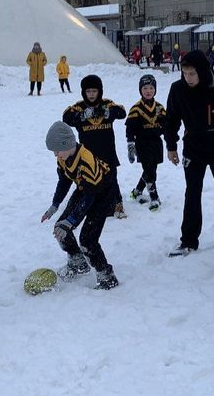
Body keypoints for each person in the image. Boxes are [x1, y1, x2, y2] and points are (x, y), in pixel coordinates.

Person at [164, 49, 214, 256]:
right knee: (192, 193)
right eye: (185, 73)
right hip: (194, 146)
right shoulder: (177, 89)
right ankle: (188, 240)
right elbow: (171, 119)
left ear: (203, 72)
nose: (188, 78)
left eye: (192, 74)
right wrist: (171, 145)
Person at [41, 121, 119, 290]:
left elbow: (90, 197)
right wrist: (55, 205)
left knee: (87, 239)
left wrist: (71, 220)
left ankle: (106, 275)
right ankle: (78, 262)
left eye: (57, 150)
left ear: (68, 145)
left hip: (103, 194)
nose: (55, 154)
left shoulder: (86, 161)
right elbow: (64, 181)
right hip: (85, 189)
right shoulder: (63, 158)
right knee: (60, 228)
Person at [62, 74, 128, 219]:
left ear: (100, 91)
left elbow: (122, 112)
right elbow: (66, 117)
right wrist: (83, 115)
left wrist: (107, 113)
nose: (91, 94)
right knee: (89, 180)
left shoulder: (107, 104)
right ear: (84, 92)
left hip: (108, 151)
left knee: (111, 179)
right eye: (88, 91)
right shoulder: (79, 107)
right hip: (88, 154)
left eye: (94, 91)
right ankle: (88, 203)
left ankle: (117, 202)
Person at [125, 74, 166, 212]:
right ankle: (154, 196)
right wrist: (130, 145)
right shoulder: (136, 109)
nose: (148, 91)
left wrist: (164, 130)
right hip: (142, 144)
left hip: (156, 144)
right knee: (149, 171)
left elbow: (166, 125)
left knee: (151, 169)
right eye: (145, 88)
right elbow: (129, 129)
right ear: (140, 90)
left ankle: (137, 191)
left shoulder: (159, 107)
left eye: (151, 88)